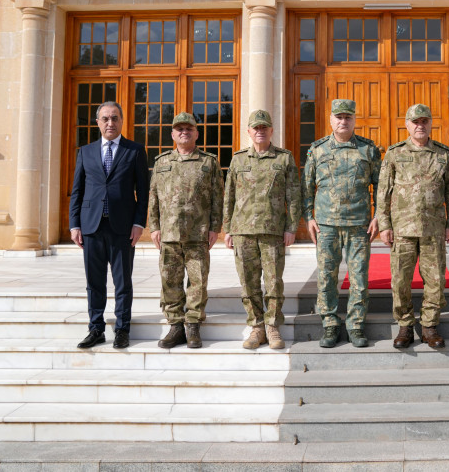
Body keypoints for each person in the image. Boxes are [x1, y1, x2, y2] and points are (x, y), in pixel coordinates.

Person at [68, 101, 149, 350]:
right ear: (98, 122)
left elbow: (143, 192)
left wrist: (138, 223)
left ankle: (123, 328)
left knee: (123, 281)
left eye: (114, 118)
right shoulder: (86, 151)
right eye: (105, 119)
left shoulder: (134, 151)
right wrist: (74, 225)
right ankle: (96, 328)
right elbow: (77, 191)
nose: (110, 123)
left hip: (123, 227)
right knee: (94, 282)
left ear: (122, 121)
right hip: (91, 226)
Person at [377, 104, 449, 350]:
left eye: (424, 121)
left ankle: (430, 326)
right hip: (403, 229)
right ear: (407, 125)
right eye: (415, 122)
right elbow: (383, 192)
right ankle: (405, 326)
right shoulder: (394, 153)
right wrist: (384, 224)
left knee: (435, 280)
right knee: (400, 280)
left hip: (433, 228)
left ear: (430, 123)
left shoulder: (442, 154)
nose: (420, 126)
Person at [303, 99, 381, 348]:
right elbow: (306, 186)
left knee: (359, 277)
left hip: (359, 224)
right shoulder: (317, 150)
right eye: (338, 117)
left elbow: (381, 186)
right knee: (327, 277)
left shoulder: (368, 150)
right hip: (326, 225)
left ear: (354, 120)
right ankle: (330, 324)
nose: (343, 121)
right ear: (331, 120)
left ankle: (356, 326)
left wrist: (379, 215)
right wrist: (309, 218)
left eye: (347, 117)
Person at [223, 110, 301, 350]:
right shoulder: (238, 160)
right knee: (248, 282)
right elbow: (230, 195)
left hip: (273, 231)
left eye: (264, 127)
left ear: (271, 131)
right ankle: (256, 326)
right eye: (255, 128)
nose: (260, 131)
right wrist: (227, 229)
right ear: (249, 132)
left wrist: (291, 227)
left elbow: (294, 195)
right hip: (243, 230)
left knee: (274, 281)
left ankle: (273, 326)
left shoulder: (284, 159)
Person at [148, 112, 223, 349]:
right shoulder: (161, 163)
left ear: (196, 133)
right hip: (169, 233)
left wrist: (215, 228)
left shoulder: (208, 162)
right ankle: (175, 325)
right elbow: (153, 197)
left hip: (197, 233)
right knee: (170, 280)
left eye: (189, 128)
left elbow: (218, 198)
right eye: (179, 129)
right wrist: (154, 227)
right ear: (172, 134)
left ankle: (193, 325)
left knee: (198, 281)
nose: (184, 132)